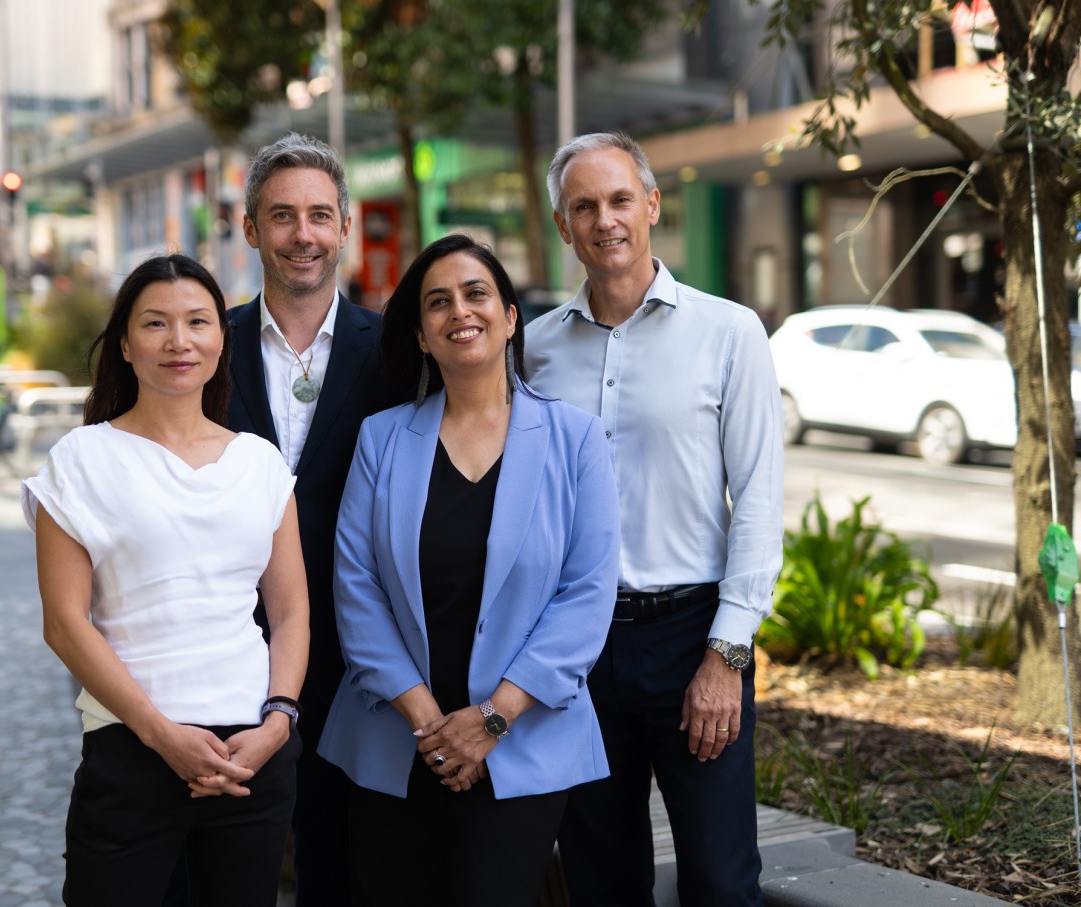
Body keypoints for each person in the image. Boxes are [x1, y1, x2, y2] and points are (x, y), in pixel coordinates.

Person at [318, 234, 621, 906]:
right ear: (422, 336)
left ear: (510, 318)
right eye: (438, 302)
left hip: (523, 741)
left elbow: (587, 593)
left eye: (476, 293)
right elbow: (356, 586)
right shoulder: (381, 437)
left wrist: (490, 720)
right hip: (395, 739)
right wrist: (431, 726)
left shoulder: (576, 439)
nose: (460, 310)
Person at [524, 132, 785, 906]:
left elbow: (760, 500)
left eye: (619, 200)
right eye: (583, 207)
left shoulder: (729, 331)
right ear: (563, 226)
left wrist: (726, 656)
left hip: (692, 638)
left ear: (652, 207)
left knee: (720, 880)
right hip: (578, 644)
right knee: (600, 880)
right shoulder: (533, 349)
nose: (604, 220)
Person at [21, 254, 310, 905]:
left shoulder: (259, 462)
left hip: (252, 755)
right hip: (133, 749)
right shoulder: (81, 458)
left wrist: (279, 722)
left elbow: (291, 609)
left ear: (221, 339)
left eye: (197, 322)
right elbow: (64, 624)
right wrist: (159, 733)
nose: (179, 341)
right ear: (125, 344)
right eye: (155, 323)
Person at [226, 132, 388, 905]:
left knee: (340, 863)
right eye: (282, 215)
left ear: (345, 227)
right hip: (225, 643)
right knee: (225, 861)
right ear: (250, 227)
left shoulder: (394, 351)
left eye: (320, 215)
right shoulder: (204, 346)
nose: (303, 234)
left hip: (358, 651)